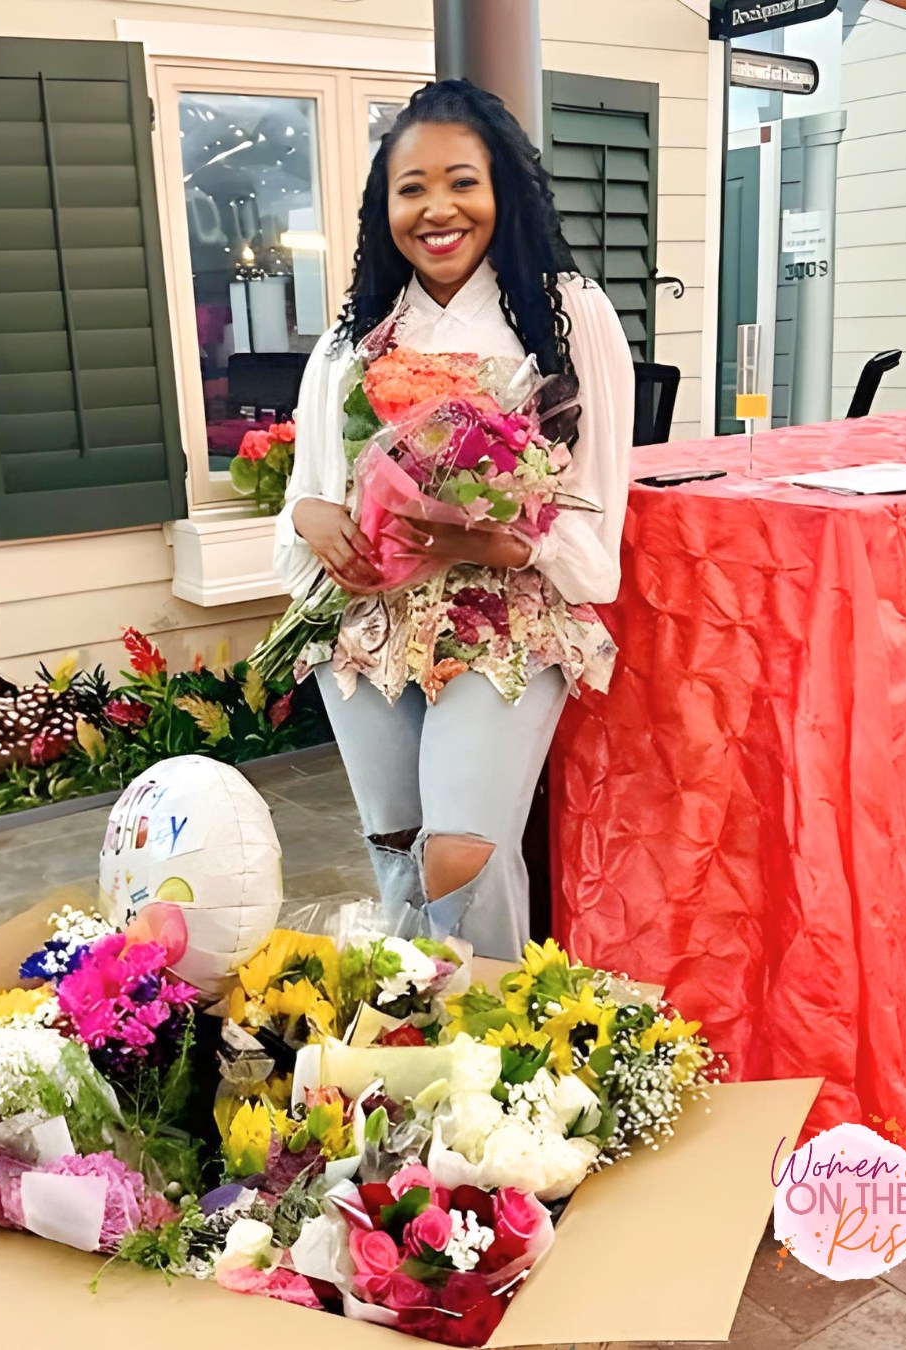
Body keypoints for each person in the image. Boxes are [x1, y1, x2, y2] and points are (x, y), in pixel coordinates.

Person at [274, 79, 633, 959]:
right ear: (383, 206)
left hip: (502, 615)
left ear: (502, 190)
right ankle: (414, 1057)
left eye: (461, 181)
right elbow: (305, 500)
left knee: (459, 853)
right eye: (411, 189)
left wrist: (520, 537)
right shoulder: (353, 340)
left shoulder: (566, 314)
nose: (438, 209)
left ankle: (500, 1062)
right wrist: (315, 520)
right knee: (397, 853)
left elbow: (599, 517)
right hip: (366, 621)